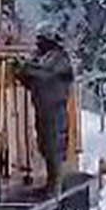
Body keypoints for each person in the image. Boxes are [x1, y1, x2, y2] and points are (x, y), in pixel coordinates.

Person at [15, 27, 74, 194]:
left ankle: (55, 184)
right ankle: (51, 182)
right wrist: (23, 71)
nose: (38, 43)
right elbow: (33, 78)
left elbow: (43, 73)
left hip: (55, 108)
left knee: (54, 145)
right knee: (45, 144)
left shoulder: (59, 58)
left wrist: (24, 67)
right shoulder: (42, 56)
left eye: (41, 39)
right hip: (43, 107)